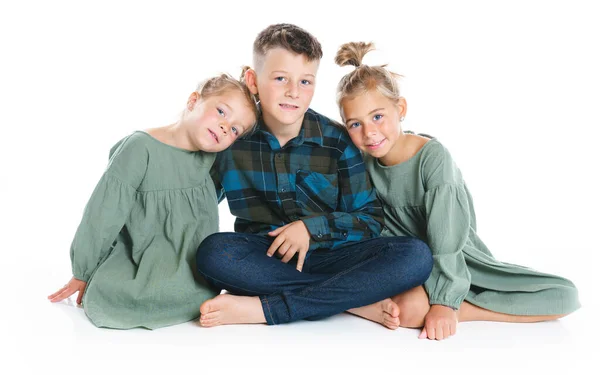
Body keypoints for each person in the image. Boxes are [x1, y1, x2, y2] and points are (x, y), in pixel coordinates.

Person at [334, 41, 581, 340]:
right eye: (355, 124)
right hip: (406, 263)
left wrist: (445, 302)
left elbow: (446, 241)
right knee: (409, 310)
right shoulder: (362, 164)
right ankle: (359, 303)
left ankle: (467, 310)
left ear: (400, 109)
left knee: (564, 295)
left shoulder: (432, 159)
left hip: (455, 260)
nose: (369, 132)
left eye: (377, 117)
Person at [195, 24, 433, 328]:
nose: (293, 92)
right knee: (213, 254)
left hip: (335, 256)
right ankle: (352, 301)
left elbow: (370, 218)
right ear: (253, 81)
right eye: (280, 78)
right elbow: (198, 200)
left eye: (305, 81)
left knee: (416, 255)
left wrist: (311, 229)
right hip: (267, 259)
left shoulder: (335, 140)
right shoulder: (232, 135)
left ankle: (268, 310)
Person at [47, 73, 258, 329]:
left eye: (235, 129)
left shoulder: (211, 160)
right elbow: (102, 214)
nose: (226, 127)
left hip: (194, 281)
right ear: (193, 101)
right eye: (222, 111)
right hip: (140, 271)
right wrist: (82, 270)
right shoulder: (139, 149)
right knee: (118, 291)